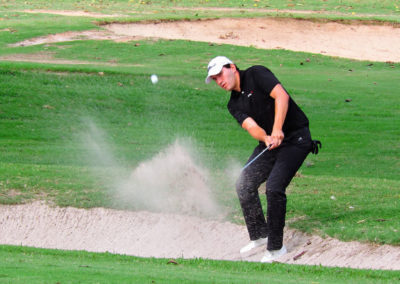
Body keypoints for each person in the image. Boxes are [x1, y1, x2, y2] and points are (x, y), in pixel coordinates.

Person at [205, 56, 320, 263]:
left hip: (296, 138)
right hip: (270, 143)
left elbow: (281, 97)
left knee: (274, 188)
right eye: (214, 79)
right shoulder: (233, 104)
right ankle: (259, 235)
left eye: (220, 74)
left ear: (232, 67)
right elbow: (252, 127)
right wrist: (266, 137)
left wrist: (277, 129)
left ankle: (276, 249)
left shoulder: (256, 74)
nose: (219, 81)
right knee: (244, 183)